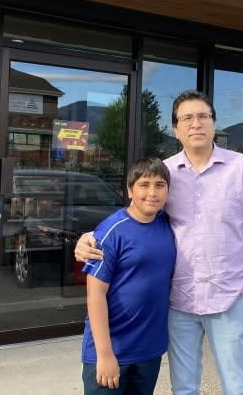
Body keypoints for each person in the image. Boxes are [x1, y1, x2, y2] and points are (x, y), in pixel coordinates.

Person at [76, 89, 243, 395]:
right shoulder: (166, 173)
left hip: (227, 297)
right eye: (187, 118)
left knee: (236, 386)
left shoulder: (242, 168)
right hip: (179, 302)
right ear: (176, 129)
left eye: (202, 116)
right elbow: (139, 215)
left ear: (213, 123)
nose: (195, 123)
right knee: (183, 388)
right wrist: (90, 237)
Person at [81, 157, 177, 395]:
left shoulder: (168, 225)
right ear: (130, 190)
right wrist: (104, 354)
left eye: (159, 185)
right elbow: (95, 295)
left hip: (149, 351)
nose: (152, 192)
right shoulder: (110, 232)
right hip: (111, 351)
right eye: (144, 185)